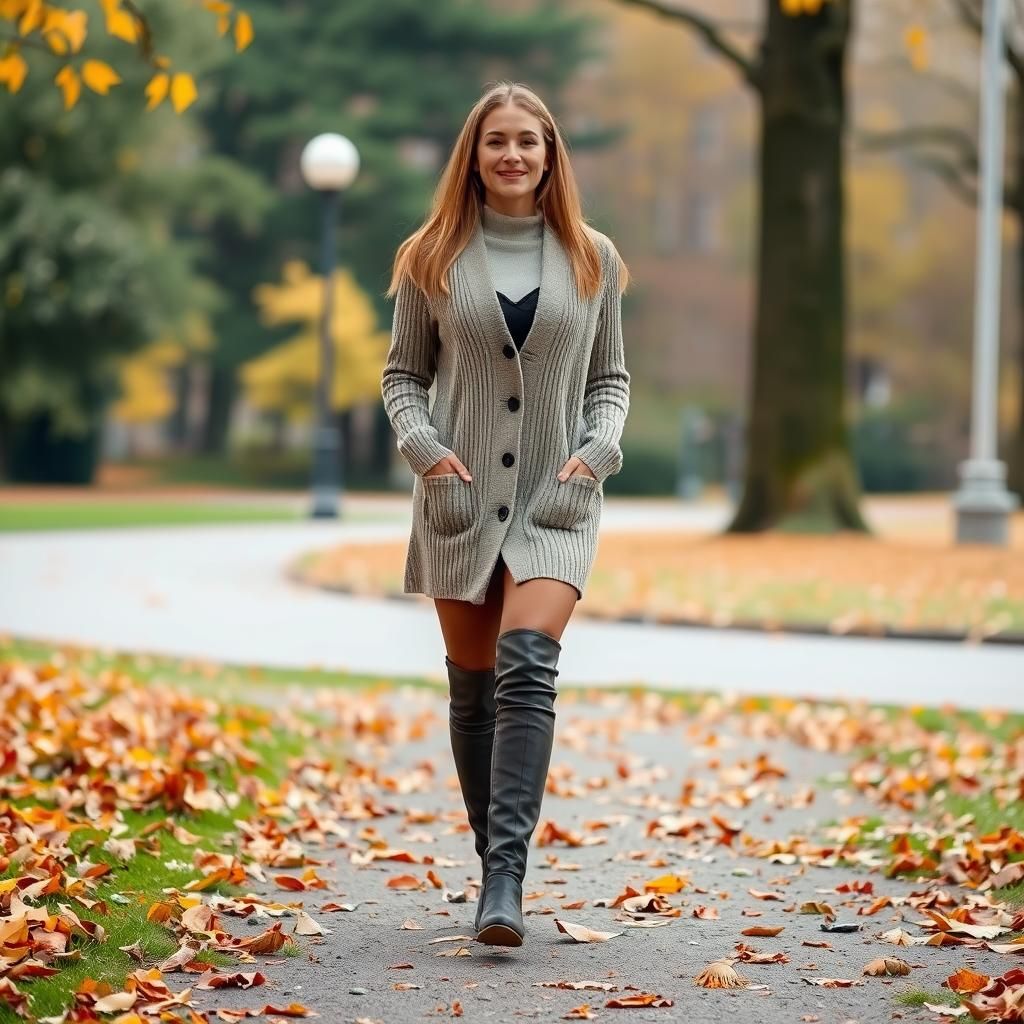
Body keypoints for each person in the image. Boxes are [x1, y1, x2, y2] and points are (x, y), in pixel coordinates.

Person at [380, 81, 630, 948]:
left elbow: (610, 381)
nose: (513, 154)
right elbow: (402, 375)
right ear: (474, 155)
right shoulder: (433, 256)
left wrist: (596, 454)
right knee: (474, 692)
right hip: (458, 494)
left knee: (530, 662)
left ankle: (506, 878)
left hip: (556, 502)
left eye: (529, 140)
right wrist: (422, 447)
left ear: (551, 153)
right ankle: (495, 867)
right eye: (497, 141)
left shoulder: (592, 256)